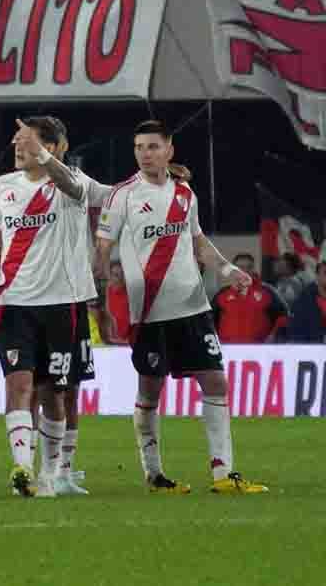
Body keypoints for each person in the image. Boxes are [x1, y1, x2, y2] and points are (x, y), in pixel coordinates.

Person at [96, 119, 268, 495]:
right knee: (150, 391)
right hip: (149, 313)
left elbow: (197, 240)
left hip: (192, 306)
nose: (145, 154)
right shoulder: (122, 196)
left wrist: (227, 269)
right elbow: (103, 249)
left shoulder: (184, 192)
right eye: (139, 147)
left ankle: (223, 474)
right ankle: (155, 474)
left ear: (169, 150)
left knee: (216, 381)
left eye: (153, 146)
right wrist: (103, 296)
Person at [0, 117, 107, 498]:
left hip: (61, 304)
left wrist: (42, 155)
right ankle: (23, 470)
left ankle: (52, 474)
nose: (18, 147)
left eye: (26, 141)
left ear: (52, 147)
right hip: (13, 302)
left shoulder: (71, 181)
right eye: (16, 141)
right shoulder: (2, 186)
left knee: (54, 394)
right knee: (19, 385)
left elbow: (74, 187)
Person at [212, 252, 288, 343]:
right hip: (228, 348)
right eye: (241, 267)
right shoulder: (222, 294)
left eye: (249, 267)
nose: (245, 271)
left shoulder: (268, 292)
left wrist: (273, 336)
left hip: (258, 348)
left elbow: (283, 317)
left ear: (253, 269)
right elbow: (209, 320)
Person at [289, 261, 326, 343]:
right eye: (325, 273)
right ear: (317, 276)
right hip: (313, 347)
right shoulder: (304, 300)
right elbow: (296, 332)